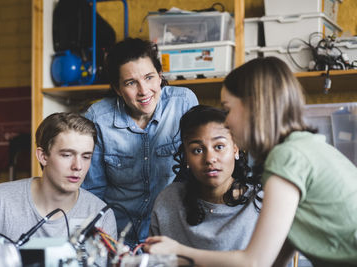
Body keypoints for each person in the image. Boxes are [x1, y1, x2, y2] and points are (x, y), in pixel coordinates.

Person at [145, 57, 357, 267]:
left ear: (255, 107)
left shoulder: (287, 157)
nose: (226, 122)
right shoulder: (303, 147)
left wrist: (178, 253)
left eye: (228, 110)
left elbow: (254, 262)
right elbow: (278, 255)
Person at [81, 37, 199, 247]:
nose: (144, 90)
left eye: (149, 77)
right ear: (117, 88)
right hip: (117, 238)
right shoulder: (98, 118)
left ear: (160, 76)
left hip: (171, 237)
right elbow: (93, 193)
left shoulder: (183, 103)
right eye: (131, 82)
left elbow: (195, 177)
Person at [0, 112, 117, 243]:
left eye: (86, 156)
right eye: (67, 155)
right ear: (43, 156)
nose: (78, 166)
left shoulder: (100, 215)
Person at [149, 105, 261, 251]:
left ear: (235, 149)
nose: (209, 159)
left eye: (219, 146)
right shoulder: (169, 200)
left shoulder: (260, 203)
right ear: (186, 158)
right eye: (198, 150)